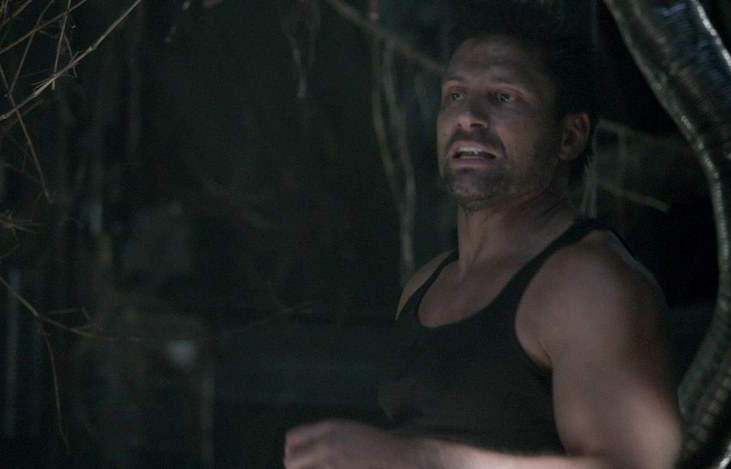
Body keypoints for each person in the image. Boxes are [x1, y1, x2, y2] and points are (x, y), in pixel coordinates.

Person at [284, 1, 683, 467]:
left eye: (504, 97)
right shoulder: (427, 283)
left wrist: (419, 460)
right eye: (454, 95)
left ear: (570, 136)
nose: (468, 116)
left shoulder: (589, 283)